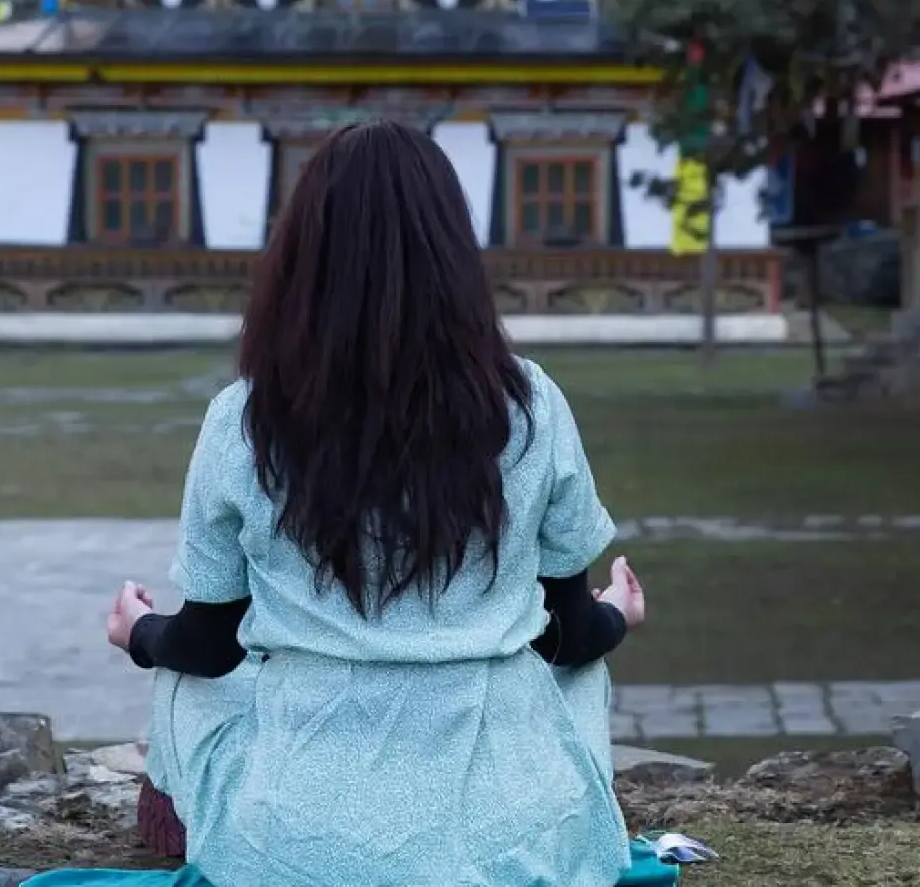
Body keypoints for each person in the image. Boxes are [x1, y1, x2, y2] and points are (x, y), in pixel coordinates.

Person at [99, 120, 649, 887]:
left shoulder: (246, 417)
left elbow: (209, 647)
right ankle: (556, 816)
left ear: (303, 255)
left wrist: (139, 633)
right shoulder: (530, 406)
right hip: (512, 841)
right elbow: (565, 633)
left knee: (185, 681)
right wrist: (618, 611)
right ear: (454, 253)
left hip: (293, 847)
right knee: (573, 675)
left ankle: (192, 823)